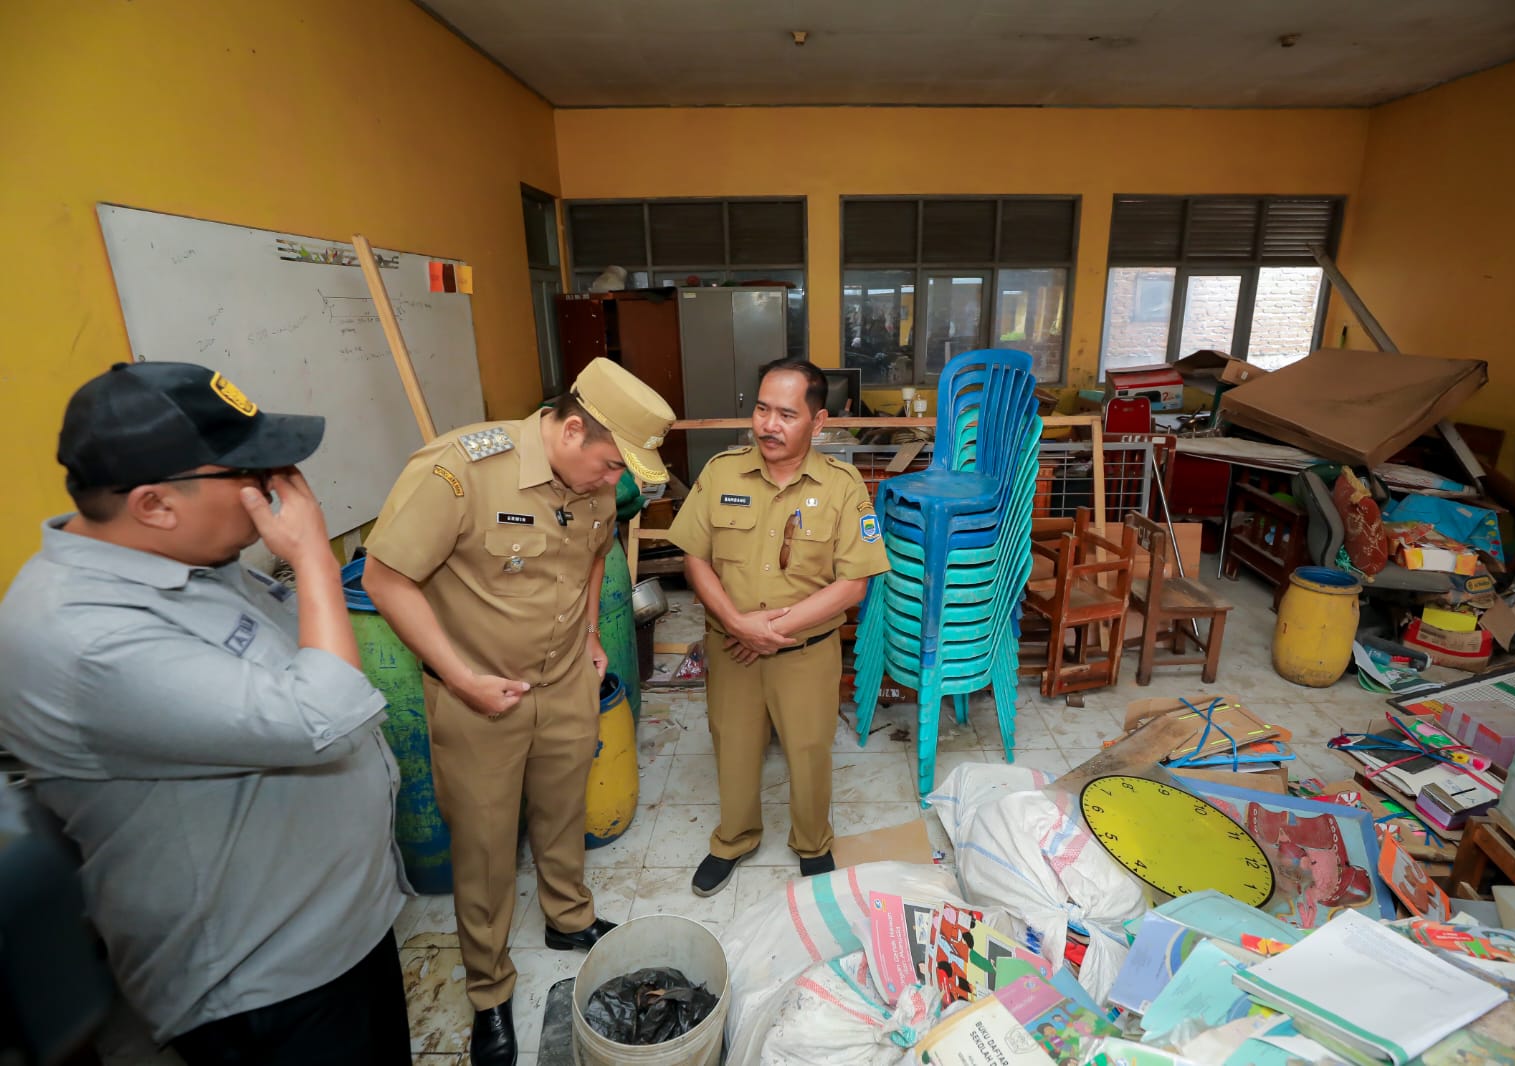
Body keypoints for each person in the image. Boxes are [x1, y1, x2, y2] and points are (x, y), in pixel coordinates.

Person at [0, 362, 410, 1064]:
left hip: (339, 930)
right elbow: (327, 711)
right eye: (250, 473)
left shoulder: (193, 558)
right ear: (156, 504)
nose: (278, 487)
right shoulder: (84, 637)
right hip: (267, 978)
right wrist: (313, 555)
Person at [362, 357, 676, 1066]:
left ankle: (567, 917)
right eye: (609, 465)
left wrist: (590, 633)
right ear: (571, 430)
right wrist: (460, 678)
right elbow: (385, 578)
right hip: (477, 696)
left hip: (564, 683)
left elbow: (593, 551)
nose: (613, 483)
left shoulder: (593, 482)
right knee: (484, 845)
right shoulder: (461, 470)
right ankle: (489, 989)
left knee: (563, 809)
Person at [666, 358, 890, 898]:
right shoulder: (721, 472)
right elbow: (695, 557)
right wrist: (736, 623)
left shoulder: (842, 486)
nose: (769, 425)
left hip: (804, 652)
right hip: (731, 647)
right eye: (762, 409)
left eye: (787, 414)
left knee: (809, 750)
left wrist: (769, 630)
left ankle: (812, 842)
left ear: (818, 421)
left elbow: (854, 583)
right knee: (733, 745)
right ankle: (734, 839)